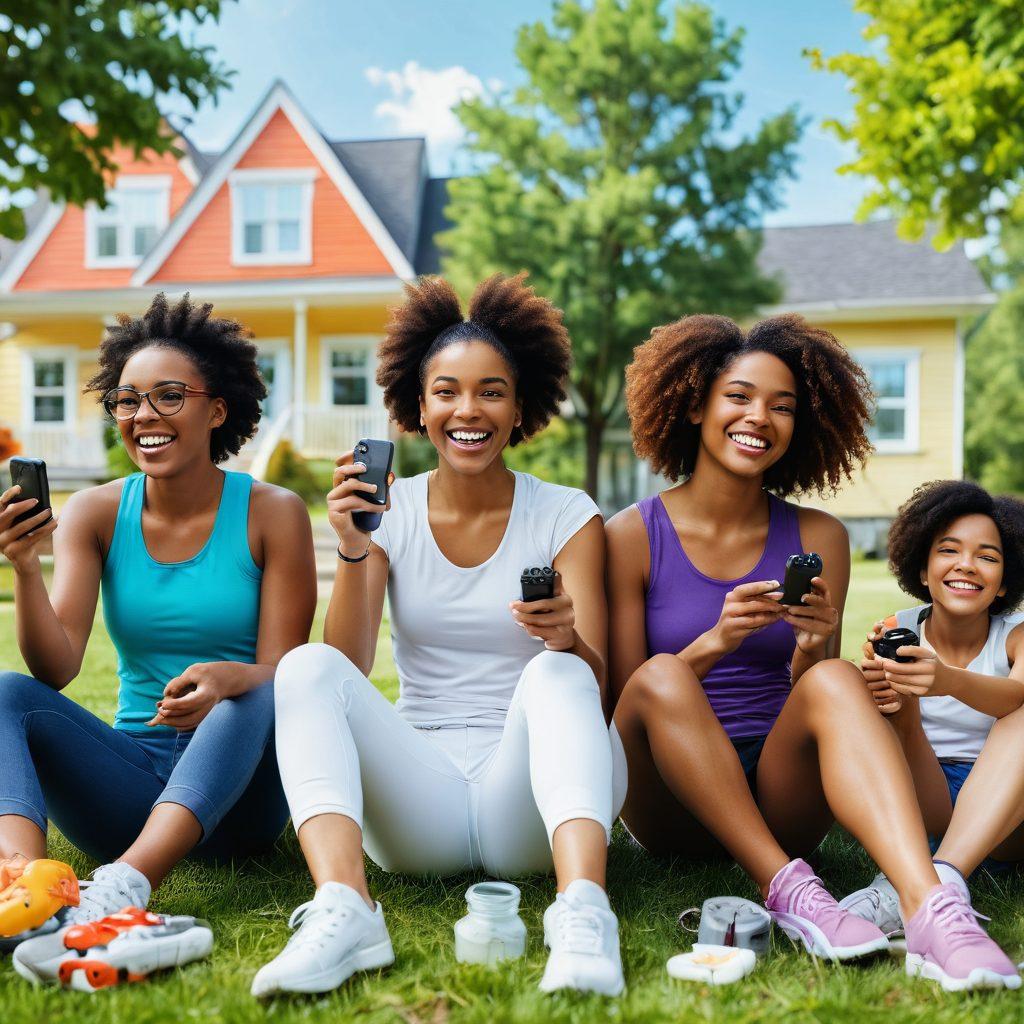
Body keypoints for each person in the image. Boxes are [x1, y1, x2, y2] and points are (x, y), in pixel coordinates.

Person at [607, 313, 1019, 991]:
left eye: (783, 406)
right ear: (696, 403)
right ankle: (792, 892)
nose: (759, 417)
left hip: (778, 790)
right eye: (739, 396)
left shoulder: (819, 534)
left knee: (831, 675)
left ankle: (931, 909)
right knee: (661, 674)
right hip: (668, 796)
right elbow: (626, 700)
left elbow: (813, 692)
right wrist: (716, 641)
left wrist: (805, 649)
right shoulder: (631, 533)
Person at [253, 274, 627, 999]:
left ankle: (584, 911)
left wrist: (567, 638)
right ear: (417, 407)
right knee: (305, 666)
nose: (469, 409)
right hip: (419, 802)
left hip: (530, 802)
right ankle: (346, 908)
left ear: (520, 408)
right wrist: (354, 548)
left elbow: (597, 682)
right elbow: (350, 666)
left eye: (492, 391)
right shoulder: (388, 512)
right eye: (447, 391)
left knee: (558, 674)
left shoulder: (564, 514)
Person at [0, 294, 315, 978]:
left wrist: (235, 678)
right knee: (7, 693)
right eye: (127, 399)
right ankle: (23, 885)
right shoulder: (95, 511)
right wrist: (26, 568)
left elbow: (294, 673)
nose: (144, 415)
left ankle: (124, 886)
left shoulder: (274, 513)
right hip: (127, 783)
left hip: (236, 802)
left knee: (256, 691)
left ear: (217, 409)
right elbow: (54, 669)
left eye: (169, 396)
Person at [841, 480, 1024, 938]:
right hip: (918, 794)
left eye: (988, 556)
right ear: (922, 570)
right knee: (893, 724)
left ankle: (924, 882)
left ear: (1005, 583)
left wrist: (945, 680)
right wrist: (890, 699)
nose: (967, 565)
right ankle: (942, 882)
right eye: (949, 550)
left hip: (1001, 807)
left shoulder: (1016, 635)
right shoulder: (896, 629)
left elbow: (1014, 697)